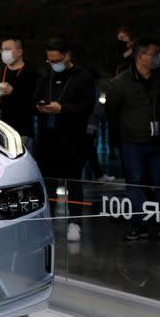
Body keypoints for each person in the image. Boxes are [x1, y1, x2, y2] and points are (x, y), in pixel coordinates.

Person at [105, 37, 160, 241]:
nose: (158, 58)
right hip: (132, 141)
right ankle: (139, 225)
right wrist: (118, 141)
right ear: (141, 56)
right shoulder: (120, 83)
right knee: (135, 183)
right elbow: (111, 112)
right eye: (154, 54)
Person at [33, 38, 95, 242]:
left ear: (68, 55)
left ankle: (75, 223)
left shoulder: (83, 77)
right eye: (50, 60)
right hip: (47, 138)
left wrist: (63, 109)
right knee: (48, 184)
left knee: (73, 183)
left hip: (72, 139)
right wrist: (40, 107)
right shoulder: (45, 77)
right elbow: (34, 100)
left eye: (57, 59)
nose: (53, 64)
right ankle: (46, 222)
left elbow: (87, 107)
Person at [0, 37, 39, 144]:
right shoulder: (0, 70)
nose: (4, 53)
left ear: (20, 52)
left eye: (8, 49)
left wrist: (14, 92)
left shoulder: (31, 73)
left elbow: (34, 102)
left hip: (20, 130)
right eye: (2, 50)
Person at [85, 69, 114, 182]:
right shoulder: (94, 89)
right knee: (89, 150)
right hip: (90, 124)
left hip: (87, 124)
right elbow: (97, 107)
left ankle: (98, 174)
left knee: (89, 151)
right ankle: (98, 175)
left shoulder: (86, 88)